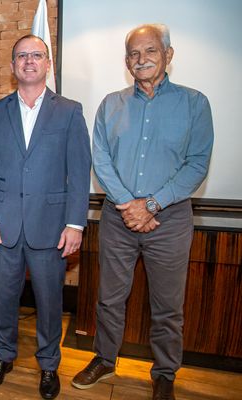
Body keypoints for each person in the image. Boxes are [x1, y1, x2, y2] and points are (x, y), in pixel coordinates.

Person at [71, 24, 213, 400]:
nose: (141, 59)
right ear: (126, 61)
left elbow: (197, 165)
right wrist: (129, 206)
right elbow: (100, 160)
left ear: (168, 54)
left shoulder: (195, 104)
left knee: (167, 305)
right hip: (118, 219)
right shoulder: (110, 104)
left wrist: (150, 205)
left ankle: (165, 373)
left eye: (150, 51)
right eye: (134, 54)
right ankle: (104, 359)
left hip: (170, 221)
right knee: (109, 298)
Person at [0, 34, 91, 399]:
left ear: (47, 64)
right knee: (5, 299)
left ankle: (49, 365)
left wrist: (75, 224)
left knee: (49, 302)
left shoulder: (70, 111)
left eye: (36, 55)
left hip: (51, 226)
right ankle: (3, 356)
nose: (28, 61)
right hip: (4, 227)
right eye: (21, 56)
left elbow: (79, 169)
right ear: (12, 67)